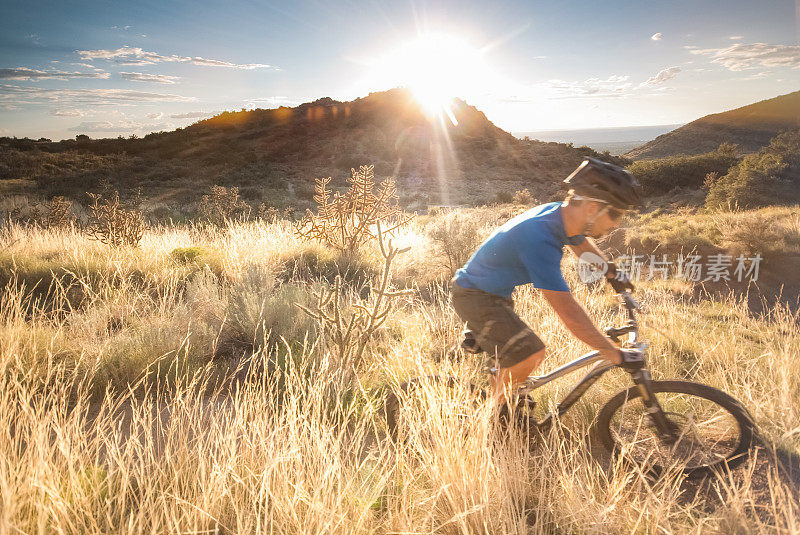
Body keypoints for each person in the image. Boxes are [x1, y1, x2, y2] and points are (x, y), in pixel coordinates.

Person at [450, 157, 642, 407]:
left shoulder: (561, 216)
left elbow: (579, 241)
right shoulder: (539, 239)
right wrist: (613, 353)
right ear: (593, 209)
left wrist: (610, 271)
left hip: (489, 292)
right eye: (616, 214)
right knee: (530, 353)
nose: (617, 223)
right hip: (475, 296)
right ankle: (490, 421)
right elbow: (568, 312)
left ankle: (505, 399)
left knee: (514, 362)